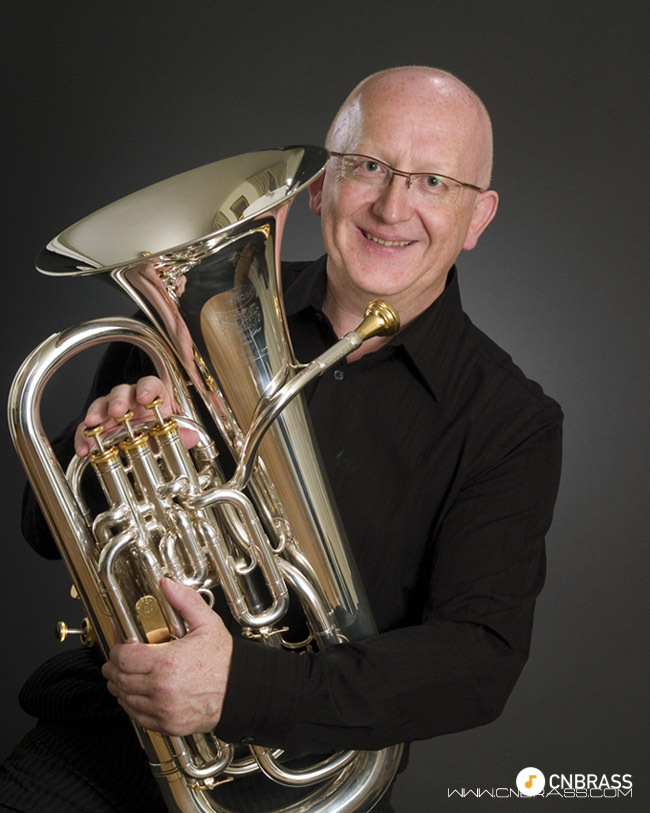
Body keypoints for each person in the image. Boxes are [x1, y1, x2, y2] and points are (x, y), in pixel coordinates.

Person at [1, 66, 563, 812]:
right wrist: (99, 449)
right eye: (370, 166)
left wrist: (239, 689)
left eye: (434, 181)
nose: (393, 206)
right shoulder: (186, 312)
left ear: (477, 217)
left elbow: (476, 659)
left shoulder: (508, 420)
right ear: (322, 187)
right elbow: (45, 530)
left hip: (307, 778)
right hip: (99, 744)